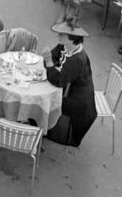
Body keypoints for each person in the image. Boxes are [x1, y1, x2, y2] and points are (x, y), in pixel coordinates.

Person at [42, 18, 97, 147]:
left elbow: (59, 81)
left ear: (71, 38)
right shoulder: (65, 46)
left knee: (47, 100)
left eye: (62, 34)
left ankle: (43, 125)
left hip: (77, 99)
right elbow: (54, 55)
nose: (58, 36)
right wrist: (50, 60)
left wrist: (49, 62)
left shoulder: (77, 59)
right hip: (69, 87)